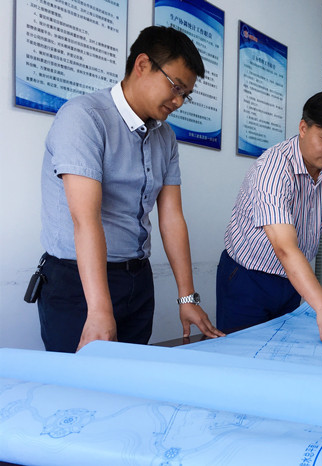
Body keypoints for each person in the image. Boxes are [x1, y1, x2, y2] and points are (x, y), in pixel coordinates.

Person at [38, 26, 225, 353]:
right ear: (142, 65)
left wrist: (187, 297)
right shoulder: (84, 118)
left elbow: (172, 218)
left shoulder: (165, 137)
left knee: (130, 379)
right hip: (79, 284)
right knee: (82, 382)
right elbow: (85, 220)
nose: (179, 101)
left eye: (186, 94)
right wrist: (99, 309)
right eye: (176, 87)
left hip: (137, 280)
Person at [217, 89, 322, 348]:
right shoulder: (274, 168)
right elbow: (285, 248)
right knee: (243, 355)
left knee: (282, 353)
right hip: (247, 278)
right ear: (303, 128)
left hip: (293, 279)